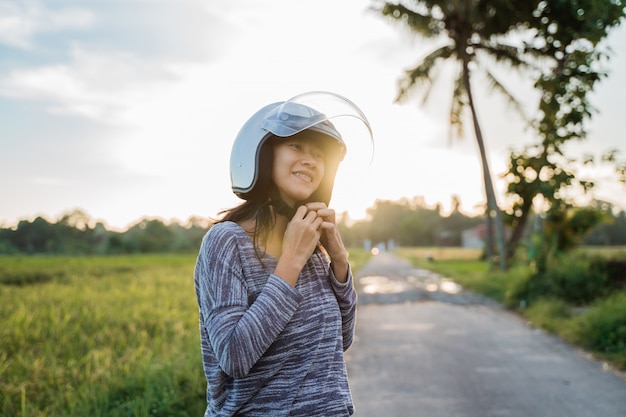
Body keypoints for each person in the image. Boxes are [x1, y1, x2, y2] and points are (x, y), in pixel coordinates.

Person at [194, 91, 373, 416]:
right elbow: (234, 356)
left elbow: (341, 340)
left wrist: (339, 263)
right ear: (263, 155)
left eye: (319, 154)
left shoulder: (315, 250)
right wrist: (290, 262)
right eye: (297, 146)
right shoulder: (226, 242)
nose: (310, 160)